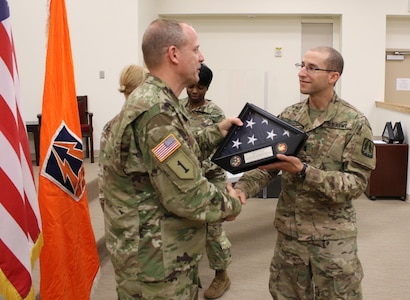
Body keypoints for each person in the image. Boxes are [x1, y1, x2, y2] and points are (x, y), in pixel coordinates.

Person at [99, 18, 243, 300]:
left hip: (150, 252)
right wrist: (232, 203)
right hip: (156, 262)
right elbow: (187, 195)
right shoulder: (157, 113)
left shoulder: (153, 101)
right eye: (196, 49)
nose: (201, 57)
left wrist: (217, 130)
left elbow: (169, 156)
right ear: (174, 54)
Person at [234, 46, 376, 300]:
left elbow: (356, 184)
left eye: (311, 67)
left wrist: (303, 171)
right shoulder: (289, 117)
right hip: (290, 235)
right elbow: (267, 167)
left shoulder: (354, 122)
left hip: (332, 239)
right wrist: (241, 188)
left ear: (333, 76)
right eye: (301, 65)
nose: (302, 73)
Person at [181, 63, 232, 299]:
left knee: (213, 230)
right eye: (191, 86)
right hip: (184, 179)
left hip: (211, 179)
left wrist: (196, 167)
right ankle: (186, 274)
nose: (193, 91)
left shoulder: (215, 114)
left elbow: (221, 152)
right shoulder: (177, 109)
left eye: (199, 88)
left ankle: (221, 276)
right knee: (184, 228)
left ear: (207, 88)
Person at [98, 64, 146, 210]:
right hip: (144, 213)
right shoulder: (149, 125)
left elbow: (103, 174)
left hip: (117, 210)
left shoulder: (110, 126)